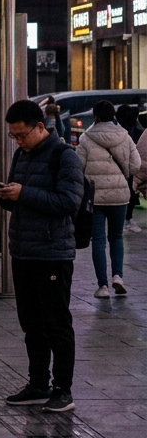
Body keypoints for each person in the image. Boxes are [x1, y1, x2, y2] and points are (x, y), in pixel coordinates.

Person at [0, 99, 83, 413]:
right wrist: (7, 196)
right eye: (13, 136)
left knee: (56, 323)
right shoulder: (22, 154)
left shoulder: (64, 156)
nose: (18, 141)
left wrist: (24, 194)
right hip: (22, 251)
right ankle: (37, 383)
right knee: (31, 323)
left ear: (39, 127)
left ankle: (63, 389)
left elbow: (68, 202)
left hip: (52, 253)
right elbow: (19, 200)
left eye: (21, 135)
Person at [77, 100, 138, 298]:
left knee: (99, 241)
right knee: (117, 237)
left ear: (95, 116)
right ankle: (118, 276)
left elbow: (78, 166)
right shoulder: (125, 136)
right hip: (120, 195)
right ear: (113, 116)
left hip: (95, 198)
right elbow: (136, 165)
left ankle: (102, 286)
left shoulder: (86, 138)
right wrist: (124, 172)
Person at [119, 104, 145, 234]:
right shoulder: (137, 133)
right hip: (132, 171)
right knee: (130, 193)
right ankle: (127, 219)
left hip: (120, 172)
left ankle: (125, 220)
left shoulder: (118, 132)